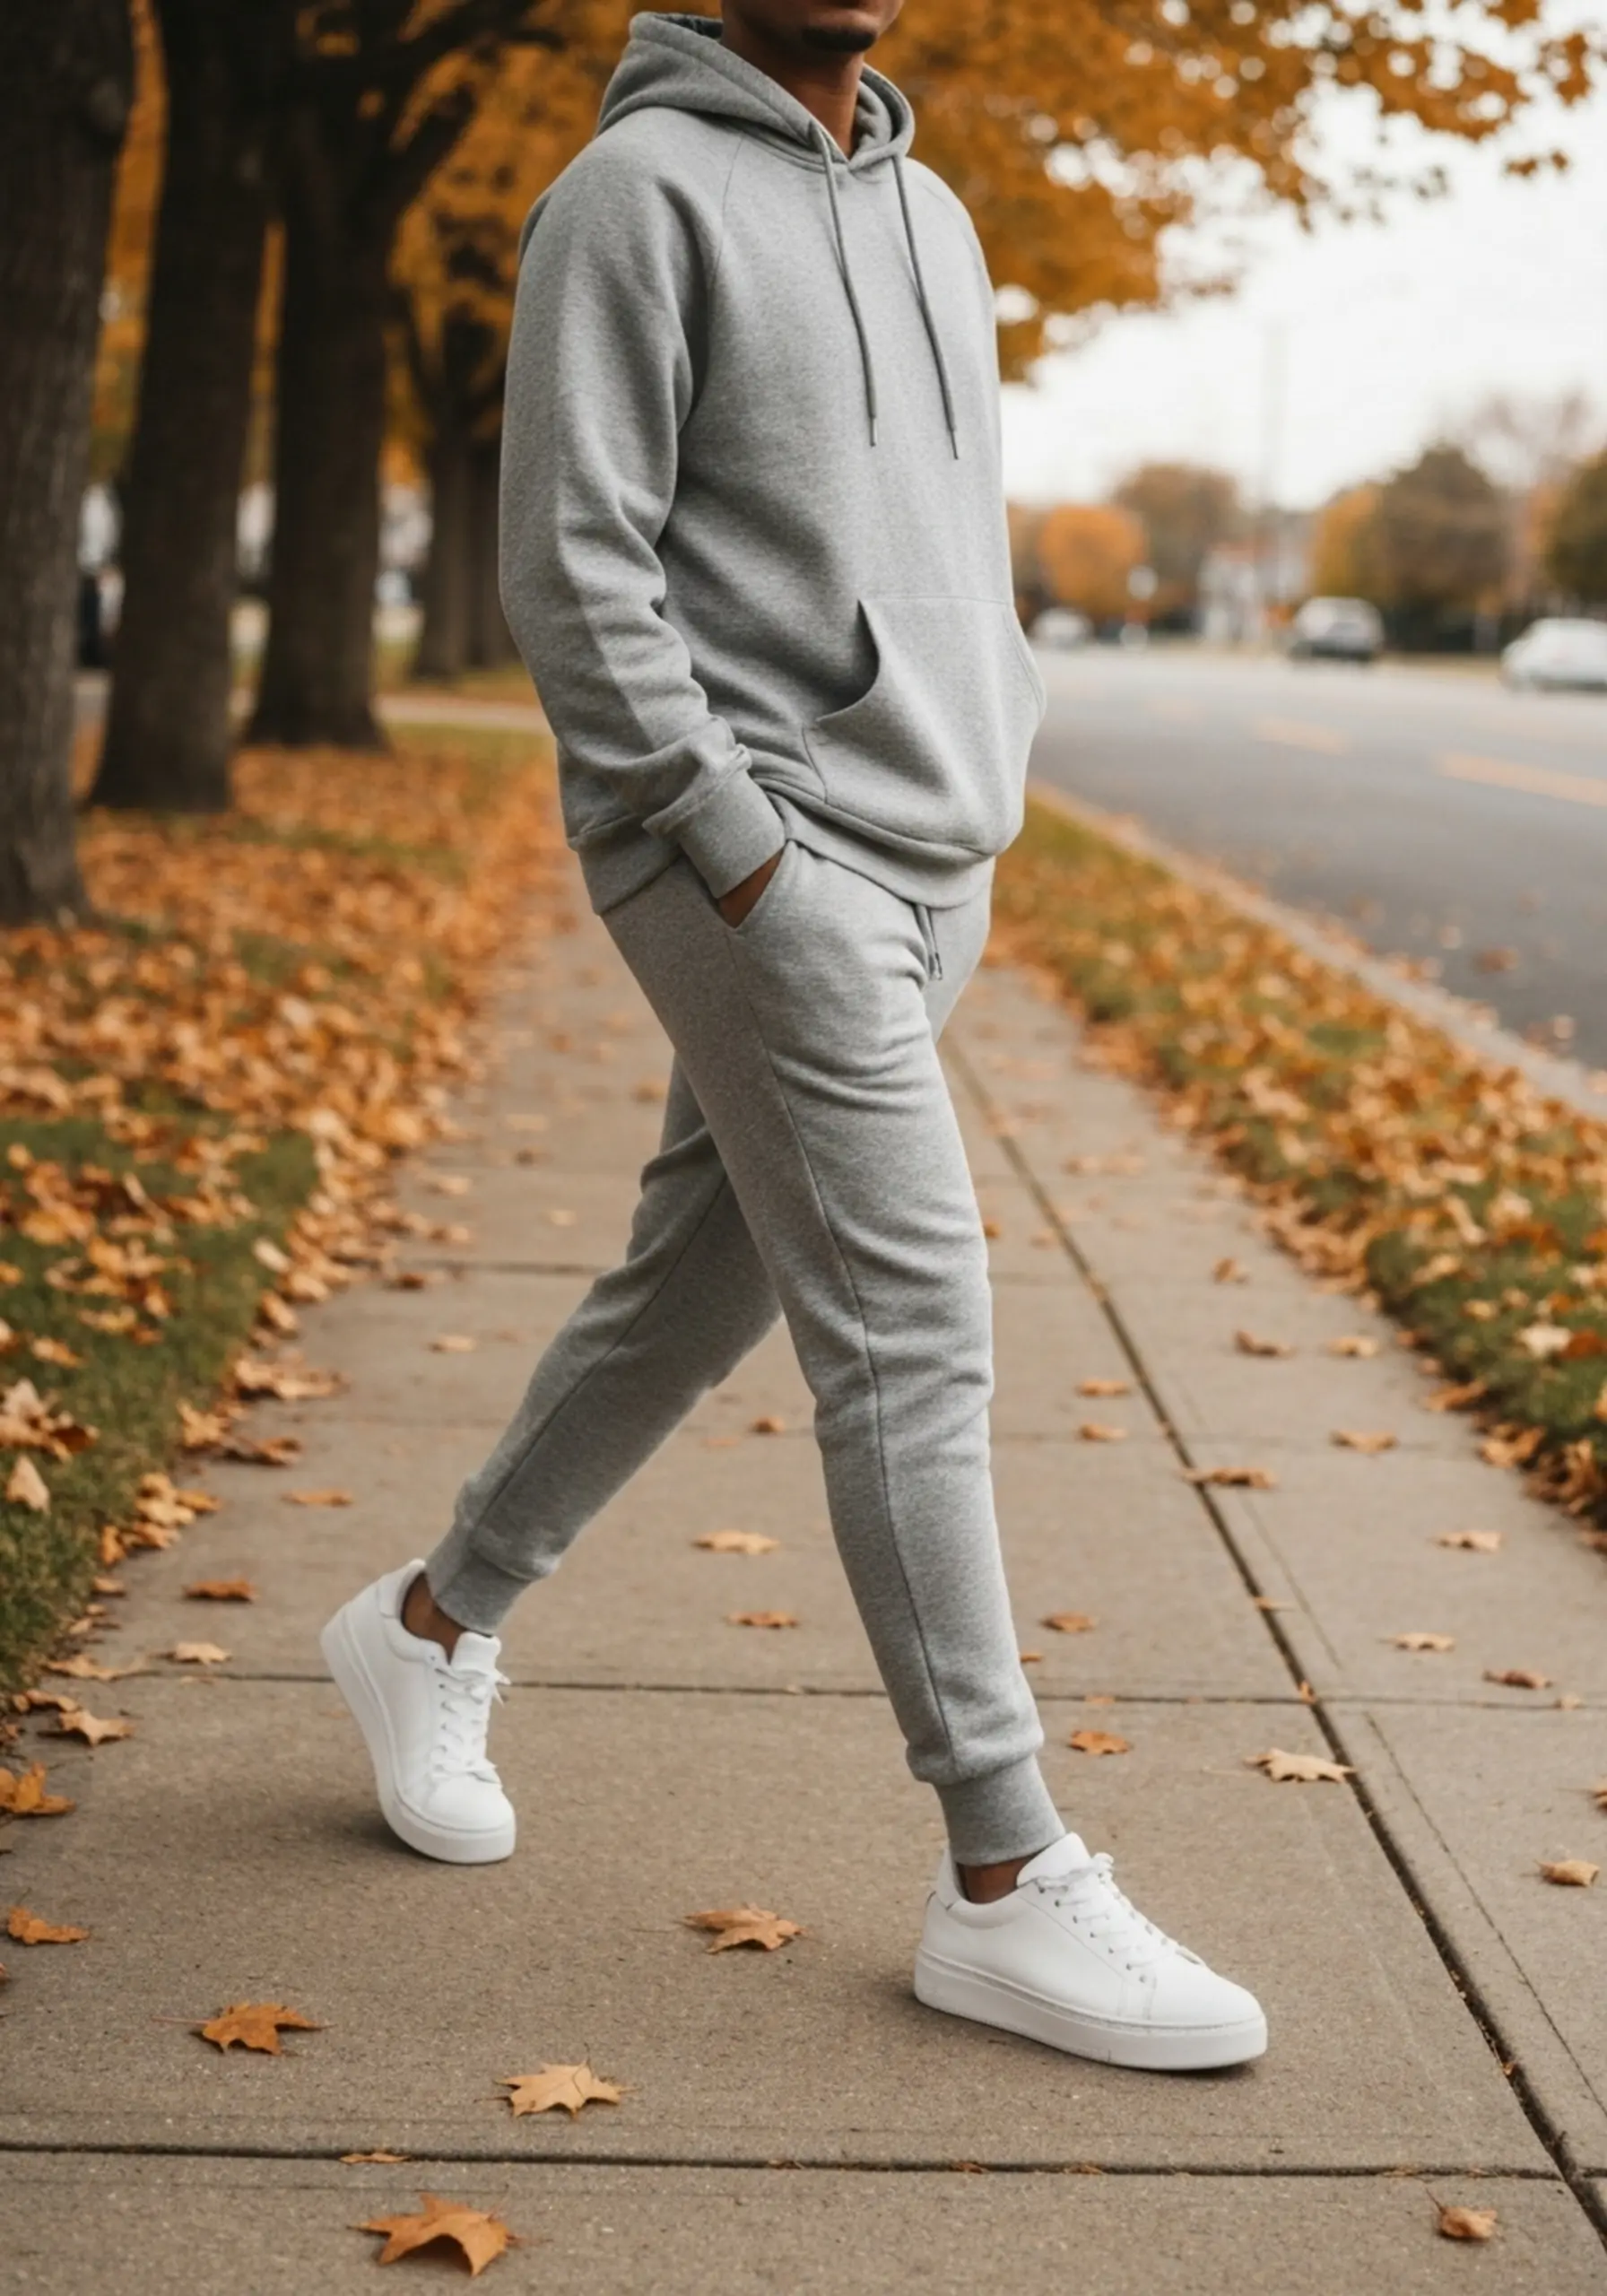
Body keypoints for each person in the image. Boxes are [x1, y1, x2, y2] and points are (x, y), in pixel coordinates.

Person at [322, 0, 1266, 2074]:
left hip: (933, 854)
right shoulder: (627, 196)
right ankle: (1002, 1874)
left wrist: (986, 766)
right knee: (913, 1311)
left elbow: (942, 557)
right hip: (756, 851)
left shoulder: (933, 213)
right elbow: (569, 569)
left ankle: (427, 1620)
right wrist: (743, 851)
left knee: (693, 1282)